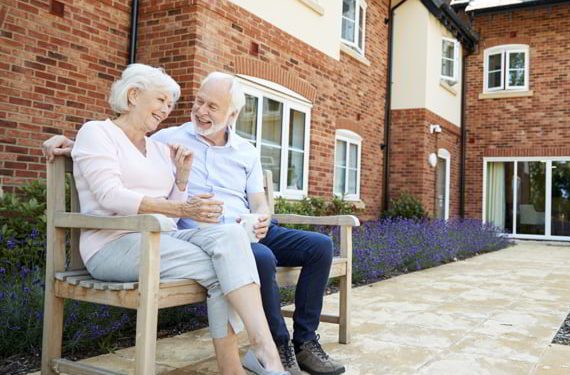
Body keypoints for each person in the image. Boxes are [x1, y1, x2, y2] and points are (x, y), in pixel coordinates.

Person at [44, 72, 345, 375]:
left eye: (172, 102)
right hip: (119, 243)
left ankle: (276, 350)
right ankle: (269, 351)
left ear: (232, 114)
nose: (172, 109)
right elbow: (109, 184)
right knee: (233, 259)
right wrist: (75, 144)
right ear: (134, 95)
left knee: (256, 246)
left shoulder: (159, 147)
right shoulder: (131, 135)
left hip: (189, 236)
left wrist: (184, 178)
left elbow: (175, 206)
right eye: (164, 100)